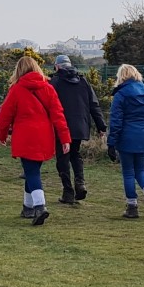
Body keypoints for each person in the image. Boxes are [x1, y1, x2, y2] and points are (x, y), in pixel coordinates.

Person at [0, 56, 71, 225]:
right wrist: (65, 137)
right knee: (33, 170)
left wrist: (2, 136)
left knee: (31, 172)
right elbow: (58, 115)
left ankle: (39, 206)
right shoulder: (48, 88)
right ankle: (28, 207)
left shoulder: (16, 90)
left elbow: (4, 116)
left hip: (24, 135)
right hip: (44, 136)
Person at [107, 64, 144, 219]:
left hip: (126, 137)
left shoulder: (121, 94)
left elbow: (116, 121)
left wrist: (111, 143)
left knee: (128, 172)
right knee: (141, 170)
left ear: (121, 76)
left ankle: (132, 207)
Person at [49, 54, 107, 204]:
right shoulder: (83, 81)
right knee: (75, 154)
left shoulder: (54, 82)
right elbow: (94, 105)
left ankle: (68, 191)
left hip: (61, 126)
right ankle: (80, 183)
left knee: (62, 158)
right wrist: (101, 126)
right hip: (80, 125)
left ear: (57, 66)